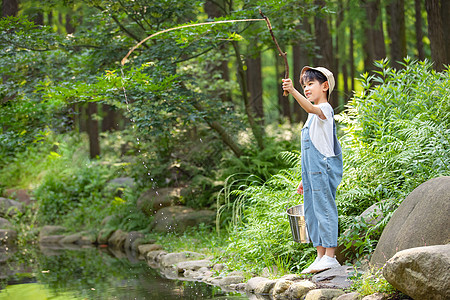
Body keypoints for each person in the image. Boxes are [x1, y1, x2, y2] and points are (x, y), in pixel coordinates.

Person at [282, 66, 343, 273]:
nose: (307, 88)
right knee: (311, 212)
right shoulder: (311, 116)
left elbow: (310, 108)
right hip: (311, 172)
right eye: (304, 85)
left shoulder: (324, 108)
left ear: (324, 86)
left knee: (325, 209)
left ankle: (330, 256)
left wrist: (292, 91)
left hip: (323, 169)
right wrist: (304, 177)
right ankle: (319, 255)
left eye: (311, 84)